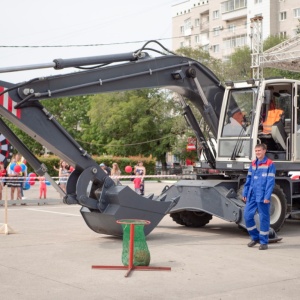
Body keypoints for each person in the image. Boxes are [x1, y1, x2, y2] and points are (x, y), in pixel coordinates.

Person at [242, 143, 276, 250]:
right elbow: (248, 180)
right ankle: (255, 237)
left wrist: (267, 196)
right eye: (256, 151)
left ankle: (264, 242)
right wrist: (245, 193)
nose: (257, 153)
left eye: (259, 150)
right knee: (247, 216)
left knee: (263, 219)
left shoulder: (270, 164)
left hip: (262, 196)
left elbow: (270, 182)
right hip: (252, 195)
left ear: (264, 151)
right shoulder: (253, 164)